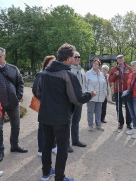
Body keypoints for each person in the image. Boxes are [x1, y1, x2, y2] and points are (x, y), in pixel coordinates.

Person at [36, 43, 96, 181]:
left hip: (45, 115)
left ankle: (46, 173)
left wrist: (49, 102)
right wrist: (90, 94)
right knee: (62, 148)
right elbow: (77, 99)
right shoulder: (67, 74)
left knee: (47, 145)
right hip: (61, 117)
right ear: (69, 58)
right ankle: (59, 177)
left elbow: (37, 92)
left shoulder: (44, 72)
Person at [0, 47, 27, 163]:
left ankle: (14, 145)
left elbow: (20, 83)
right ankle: (0, 151)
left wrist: (18, 96)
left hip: (13, 102)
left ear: (4, 56)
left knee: (16, 126)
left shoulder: (13, 69)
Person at [32, 55, 58, 157]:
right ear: (46, 63)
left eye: (55, 62)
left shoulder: (56, 74)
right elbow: (35, 90)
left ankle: (54, 146)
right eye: (51, 62)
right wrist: (45, 100)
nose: (53, 64)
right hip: (45, 105)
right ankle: (41, 149)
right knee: (43, 128)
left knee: (54, 126)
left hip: (55, 105)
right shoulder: (41, 74)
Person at [109, 55, 132, 132]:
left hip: (126, 91)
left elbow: (132, 79)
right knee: (118, 108)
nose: (120, 59)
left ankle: (129, 123)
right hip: (117, 91)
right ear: (117, 60)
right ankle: (120, 123)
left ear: (124, 59)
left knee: (128, 107)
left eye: (122, 58)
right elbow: (110, 79)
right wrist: (115, 74)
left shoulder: (129, 68)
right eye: (119, 58)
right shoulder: (113, 69)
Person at [70, 51, 88, 149]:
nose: (77, 58)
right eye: (75, 56)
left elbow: (84, 84)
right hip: (71, 100)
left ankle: (75, 140)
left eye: (78, 56)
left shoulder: (81, 70)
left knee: (76, 120)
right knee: (68, 122)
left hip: (80, 99)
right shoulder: (68, 69)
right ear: (71, 58)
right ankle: (65, 144)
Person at [85, 58, 107, 131]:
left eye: (96, 64)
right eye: (94, 63)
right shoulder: (88, 73)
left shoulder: (101, 74)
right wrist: (89, 92)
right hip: (91, 95)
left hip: (100, 96)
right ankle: (90, 125)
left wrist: (105, 93)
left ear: (99, 66)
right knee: (90, 111)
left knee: (98, 111)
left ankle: (98, 124)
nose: (95, 64)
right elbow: (85, 84)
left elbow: (104, 84)